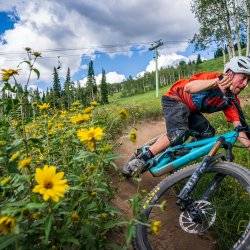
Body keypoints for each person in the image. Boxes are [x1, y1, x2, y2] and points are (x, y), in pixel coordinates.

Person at [122, 56, 250, 177]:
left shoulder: (230, 100)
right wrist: (216, 82)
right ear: (229, 73)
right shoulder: (212, 77)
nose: (245, 84)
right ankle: (143, 158)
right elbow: (189, 87)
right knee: (178, 132)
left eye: (248, 80)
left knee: (207, 133)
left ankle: (177, 153)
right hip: (175, 98)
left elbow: (239, 129)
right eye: (243, 78)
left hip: (191, 110)